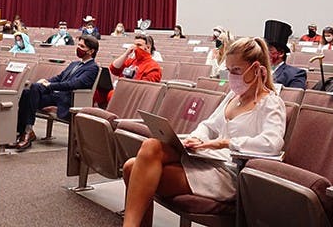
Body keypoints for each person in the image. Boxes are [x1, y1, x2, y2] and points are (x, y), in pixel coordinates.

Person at [121, 37, 286, 227]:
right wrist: (197, 138)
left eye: (237, 70)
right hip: (210, 160)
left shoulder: (271, 102)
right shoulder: (234, 96)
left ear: (256, 69)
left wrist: (225, 143)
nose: (231, 75)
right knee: (149, 147)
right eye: (229, 70)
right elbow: (208, 125)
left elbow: (272, 143)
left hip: (231, 173)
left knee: (132, 168)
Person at [12, 35, 100, 150]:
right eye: (78, 45)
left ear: (91, 51)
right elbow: (59, 77)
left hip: (66, 99)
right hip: (56, 95)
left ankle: (25, 132)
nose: (78, 48)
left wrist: (49, 86)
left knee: (32, 91)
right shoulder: (74, 64)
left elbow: (74, 84)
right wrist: (46, 81)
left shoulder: (93, 68)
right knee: (27, 92)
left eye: (82, 46)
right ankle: (26, 131)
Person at [97, 34, 161, 105]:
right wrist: (126, 53)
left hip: (133, 99)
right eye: (134, 45)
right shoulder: (131, 61)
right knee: (99, 92)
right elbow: (113, 69)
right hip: (121, 93)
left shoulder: (153, 67)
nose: (135, 48)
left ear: (148, 48)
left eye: (138, 45)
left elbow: (145, 90)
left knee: (112, 94)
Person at [263, 20, 306, 89]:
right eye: (264, 50)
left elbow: (294, 98)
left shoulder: (295, 74)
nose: (264, 53)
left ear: (281, 53)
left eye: (269, 50)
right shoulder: (257, 71)